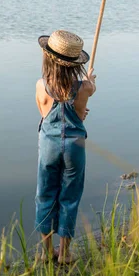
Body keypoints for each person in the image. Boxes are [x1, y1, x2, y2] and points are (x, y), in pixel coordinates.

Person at [35, 29, 96, 264]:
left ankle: (45, 251)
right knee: (70, 196)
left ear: (48, 59)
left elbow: (44, 113)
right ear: (74, 63)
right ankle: (65, 253)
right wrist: (90, 85)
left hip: (49, 144)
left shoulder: (41, 85)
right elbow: (79, 116)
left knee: (45, 195)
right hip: (74, 147)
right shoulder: (84, 88)